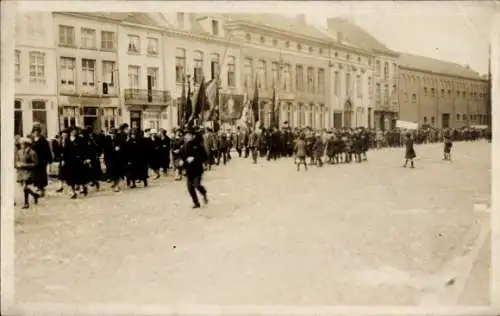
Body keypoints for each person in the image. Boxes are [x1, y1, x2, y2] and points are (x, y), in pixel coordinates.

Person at [180, 129, 208, 209]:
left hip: (197, 169)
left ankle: (204, 193)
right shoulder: (184, 146)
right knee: (189, 187)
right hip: (189, 170)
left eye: (188, 135)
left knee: (197, 185)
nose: (187, 137)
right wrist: (181, 162)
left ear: (193, 136)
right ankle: (196, 203)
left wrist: (194, 159)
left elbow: (204, 157)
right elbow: (181, 157)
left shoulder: (198, 145)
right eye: (186, 135)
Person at [16, 137, 40, 209]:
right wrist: (18, 164)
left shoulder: (32, 152)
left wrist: (25, 165)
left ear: (27, 144)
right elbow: (17, 160)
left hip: (29, 172)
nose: (21, 145)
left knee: (25, 187)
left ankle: (26, 203)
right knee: (24, 187)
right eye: (21, 144)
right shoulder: (19, 152)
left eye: (22, 144)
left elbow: (35, 163)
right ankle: (35, 195)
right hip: (21, 171)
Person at [31, 124, 53, 197]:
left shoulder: (43, 140)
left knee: (42, 174)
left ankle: (42, 189)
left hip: (42, 160)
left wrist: (49, 159)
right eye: (34, 131)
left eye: (37, 131)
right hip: (34, 160)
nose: (36, 133)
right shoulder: (32, 140)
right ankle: (38, 187)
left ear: (39, 132)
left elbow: (47, 150)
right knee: (36, 175)